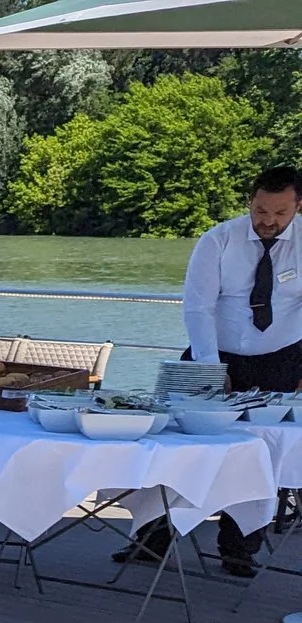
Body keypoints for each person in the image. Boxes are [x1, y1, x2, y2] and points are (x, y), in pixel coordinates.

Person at [124, 166, 302, 577]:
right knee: (177, 446)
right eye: (260, 210)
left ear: (297, 206)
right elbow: (198, 306)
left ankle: (238, 548)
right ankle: (151, 539)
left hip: (282, 358)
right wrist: (209, 366)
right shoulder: (218, 239)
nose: (268, 221)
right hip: (212, 352)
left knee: (262, 453)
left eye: (279, 212)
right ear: (249, 201)